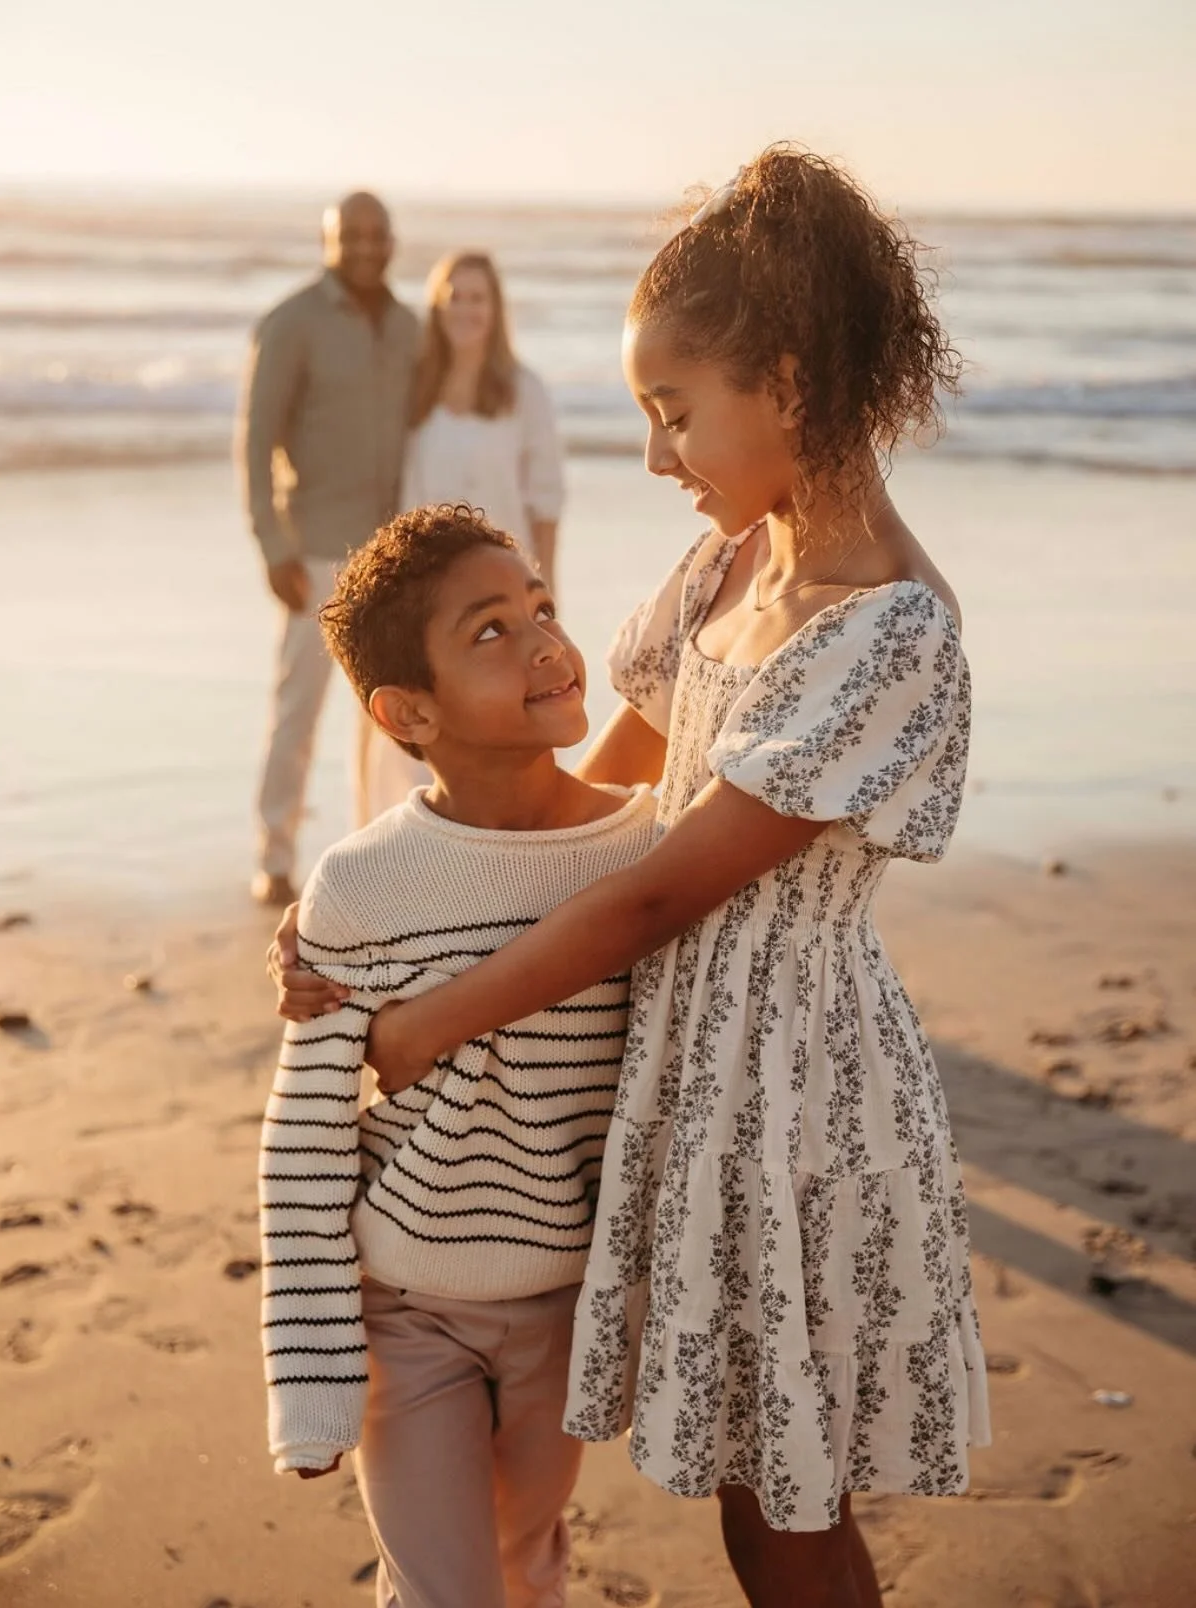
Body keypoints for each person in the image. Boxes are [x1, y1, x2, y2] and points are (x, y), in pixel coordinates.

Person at [273, 145, 991, 1608]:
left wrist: (427, 1023)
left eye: (673, 412)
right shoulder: (725, 570)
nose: (657, 458)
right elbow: (589, 811)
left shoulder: (891, 632)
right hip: (682, 1076)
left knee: (782, 1503)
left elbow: (660, 892)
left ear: (787, 384)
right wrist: (383, 906)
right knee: (750, 1486)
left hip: (790, 1094)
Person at [258, 504, 657, 1608]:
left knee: (524, 1561)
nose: (545, 642)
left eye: (542, 607)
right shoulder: (362, 886)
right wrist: (311, 1387)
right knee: (446, 1592)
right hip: (407, 1307)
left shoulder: (645, 852)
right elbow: (304, 1141)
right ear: (409, 711)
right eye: (491, 630)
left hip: (565, 1310)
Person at [238, 190, 419, 905]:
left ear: (392, 240)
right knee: (298, 710)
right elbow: (256, 441)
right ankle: (274, 856)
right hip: (313, 550)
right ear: (329, 241)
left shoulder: (409, 327)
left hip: (391, 552)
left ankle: (374, 845)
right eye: (352, 235)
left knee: (388, 710)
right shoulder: (291, 324)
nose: (367, 246)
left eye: (378, 233)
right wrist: (272, 545)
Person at [357, 251, 565, 821]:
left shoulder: (523, 391)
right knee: (415, 715)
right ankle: (392, 839)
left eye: (478, 298)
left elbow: (546, 496)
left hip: (502, 586)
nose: (466, 310)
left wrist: (545, 591)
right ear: (436, 307)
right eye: (455, 297)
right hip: (424, 587)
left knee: (501, 712)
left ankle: (503, 837)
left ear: (495, 309)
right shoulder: (415, 389)